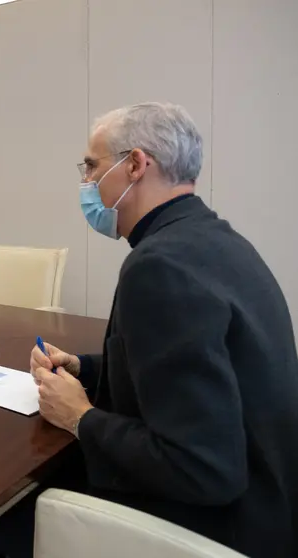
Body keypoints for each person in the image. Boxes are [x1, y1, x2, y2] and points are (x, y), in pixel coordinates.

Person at [26, 102, 298, 557]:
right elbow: (194, 369)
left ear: (135, 164)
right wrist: (86, 369)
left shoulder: (159, 267)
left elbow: (203, 467)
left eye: (91, 166)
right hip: (272, 509)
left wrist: (80, 417)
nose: (85, 182)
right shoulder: (217, 240)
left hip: (213, 530)